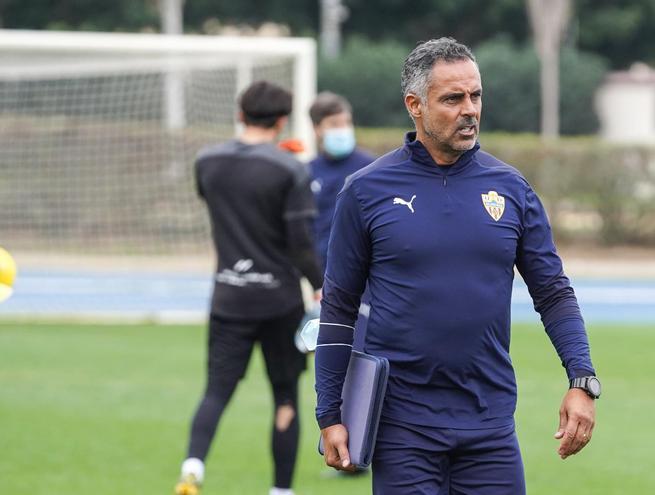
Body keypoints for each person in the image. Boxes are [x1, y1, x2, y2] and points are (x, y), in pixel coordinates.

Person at [314, 38, 600, 494]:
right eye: (453, 98)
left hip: (489, 426)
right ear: (416, 105)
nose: (470, 109)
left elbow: (553, 293)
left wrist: (582, 380)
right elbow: (339, 310)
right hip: (402, 427)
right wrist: (330, 414)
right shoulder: (364, 192)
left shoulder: (511, 188)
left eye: (476, 95)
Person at [176, 81, 323, 495]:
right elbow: (300, 244)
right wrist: (321, 286)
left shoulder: (207, 161)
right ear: (282, 120)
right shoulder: (289, 169)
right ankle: (280, 491)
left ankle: (193, 466)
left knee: (216, 391)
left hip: (228, 296)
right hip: (278, 301)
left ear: (240, 115)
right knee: (285, 396)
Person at [307, 91, 375, 273]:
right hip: (323, 273)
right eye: (334, 124)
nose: (342, 129)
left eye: (346, 123)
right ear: (317, 129)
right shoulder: (307, 171)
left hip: (365, 273)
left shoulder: (371, 167)